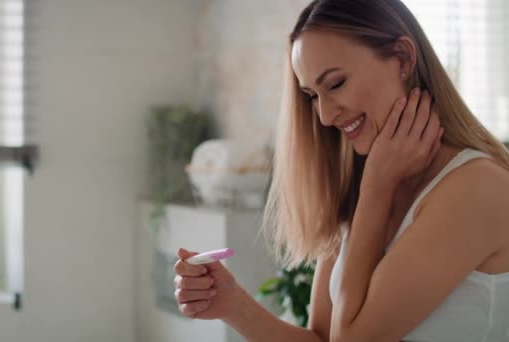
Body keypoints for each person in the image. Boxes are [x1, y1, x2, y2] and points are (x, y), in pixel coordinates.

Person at [173, 0, 509, 341]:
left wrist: (377, 186)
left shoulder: (478, 188)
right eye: (312, 96)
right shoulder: (361, 185)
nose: (325, 116)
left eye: (335, 84)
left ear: (403, 59)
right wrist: (233, 305)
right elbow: (324, 337)